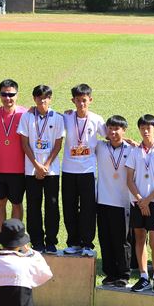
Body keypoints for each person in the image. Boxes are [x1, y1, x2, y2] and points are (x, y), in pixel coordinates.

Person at [17, 85, 65, 253]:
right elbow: (24, 144)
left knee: (52, 205)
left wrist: (46, 165)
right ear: (34, 98)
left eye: (45, 97)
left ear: (50, 99)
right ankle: (37, 241)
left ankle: (51, 242)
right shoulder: (27, 117)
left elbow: (58, 145)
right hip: (32, 170)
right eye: (39, 97)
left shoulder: (58, 118)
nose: (42, 100)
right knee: (33, 206)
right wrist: (37, 165)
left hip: (51, 170)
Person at [60, 83, 105, 257]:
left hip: (88, 171)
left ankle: (87, 244)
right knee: (69, 208)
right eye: (78, 100)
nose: (81, 104)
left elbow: (111, 135)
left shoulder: (96, 119)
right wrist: (33, 108)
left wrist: (129, 141)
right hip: (68, 170)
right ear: (73, 100)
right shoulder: (66, 117)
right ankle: (73, 242)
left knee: (88, 208)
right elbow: (50, 116)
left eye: (84, 100)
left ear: (90, 100)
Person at [125, 114, 154, 293]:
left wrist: (148, 200)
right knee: (140, 238)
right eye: (142, 128)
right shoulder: (134, 152)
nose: (145, 131)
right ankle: (143, 276)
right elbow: (129, 179)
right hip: (137, 202)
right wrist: (140, 200)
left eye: (148, 128)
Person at [95, 115, 133, 287]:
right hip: (102, 200)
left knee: (122, 240)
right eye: (110, 128)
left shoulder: (132, 149)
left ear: (124, 130)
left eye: (117, 129)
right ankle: (109, 273)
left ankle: (124, 274)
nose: (113, 132)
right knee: (105, 238)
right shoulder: (100, 146)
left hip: (122, 202)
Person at [0, 79, 28, 233]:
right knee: (0, 203)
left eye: (11, 94)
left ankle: (15, 237)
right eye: (4, 94)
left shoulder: (25, 113)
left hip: (18, 169)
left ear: (17, 95)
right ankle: (2, 237)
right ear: (0, 95)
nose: (8, 98)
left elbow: (45, 113)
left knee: (17, 203)